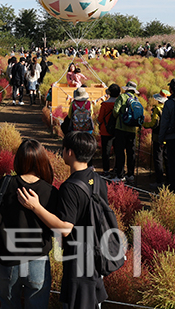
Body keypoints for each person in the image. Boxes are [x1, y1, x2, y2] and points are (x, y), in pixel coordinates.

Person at [17, 132, 109, 309]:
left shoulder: (70, 187)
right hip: (97, 251)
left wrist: (35, 206)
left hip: (79, 257)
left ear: (69, 152)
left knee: (78, 303)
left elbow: (66, 228)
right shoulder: (97, 179)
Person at [0, 139, 58, 309]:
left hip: (9, 259)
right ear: (42, 161)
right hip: (38, 260)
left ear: (18, 160)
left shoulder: (5, 185)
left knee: (8, 305)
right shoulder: (50, 191)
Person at [112, 81, 143, 183]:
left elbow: (115, 112)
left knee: (120, 152)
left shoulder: (122, 97)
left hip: (120, 128)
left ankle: (120, 175)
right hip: (132, 130)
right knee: (131, 152)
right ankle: (130, 175)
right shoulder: (136, 99)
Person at [144, 89, 169, 189]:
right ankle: (169, 180)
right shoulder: (170, 107)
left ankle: (159, 181)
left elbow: (154, 124)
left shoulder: (157, 109)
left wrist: (143, 124)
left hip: (157, 137)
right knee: (167, 159)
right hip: (169, 137)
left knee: (158, 158)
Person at [96, 84, 120, 177]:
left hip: (105, 131)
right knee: (118, 151)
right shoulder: (119, 104)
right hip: (117, 130)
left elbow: (100, 119)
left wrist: (98, 122)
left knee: (106, 152)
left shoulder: (105, 104)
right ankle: (117, 169)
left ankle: (106, 171)